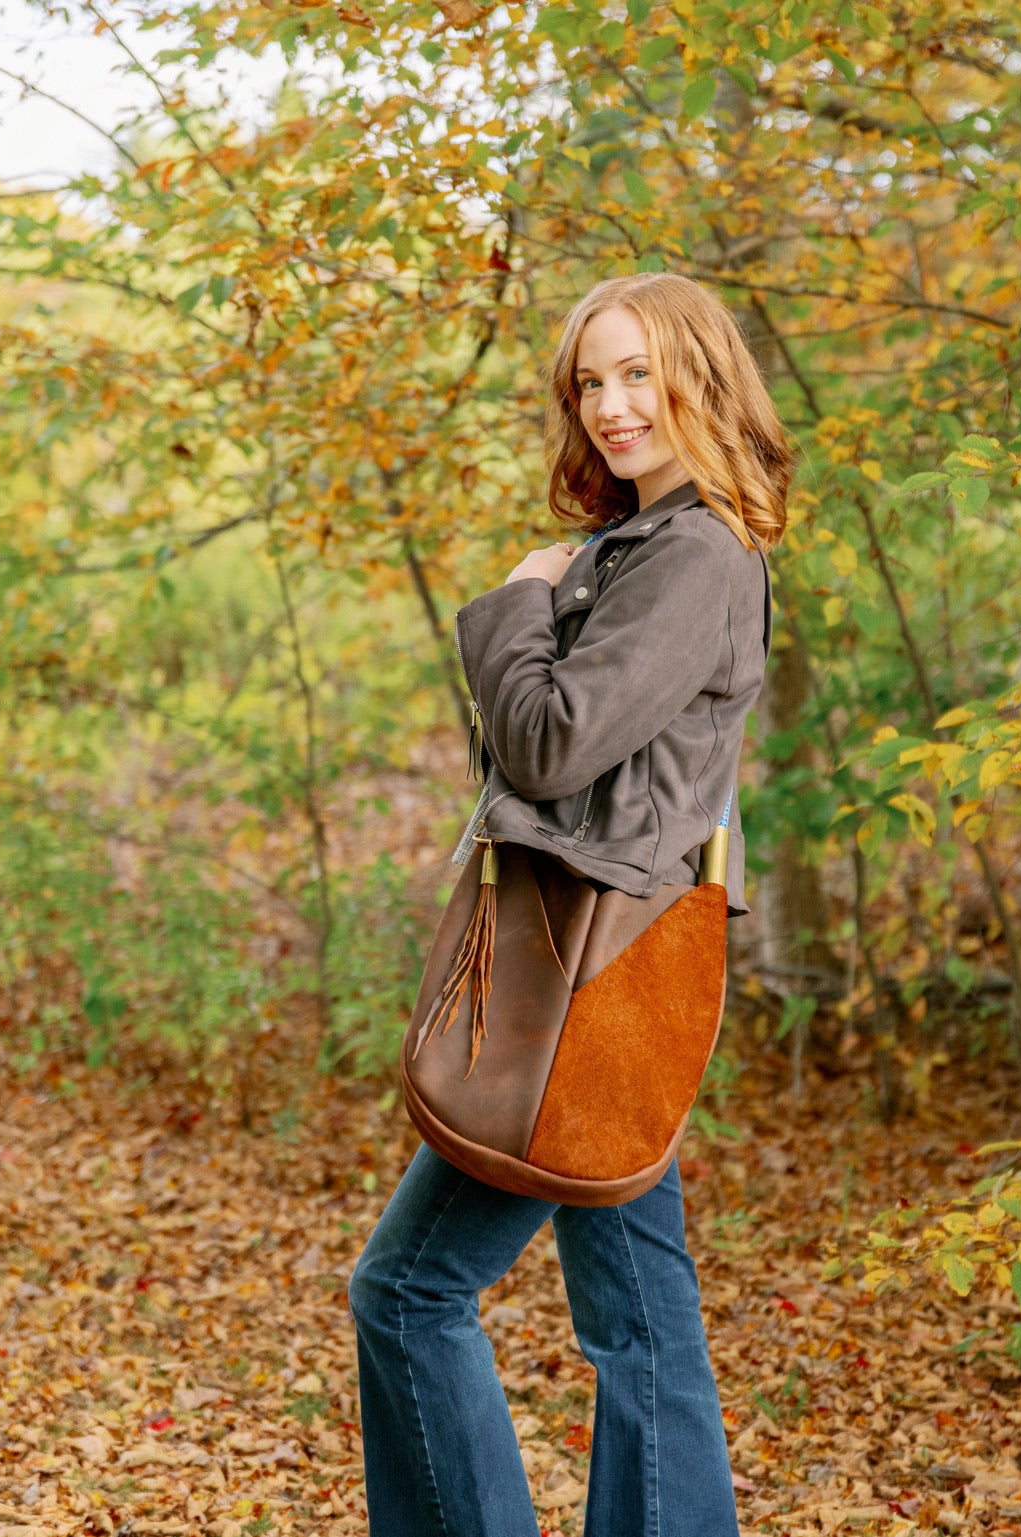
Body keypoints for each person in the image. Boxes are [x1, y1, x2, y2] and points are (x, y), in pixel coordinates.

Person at [347, 272, 795, 1537]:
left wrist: (517, 599)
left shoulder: (694, 553)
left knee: (407, 1292)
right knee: (638, 1317)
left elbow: (547, 747)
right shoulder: (649, 543)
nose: (610, 405)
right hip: (624, 952)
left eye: (638, 373)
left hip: (601, 962)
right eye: (590, 381)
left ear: (698, 376)